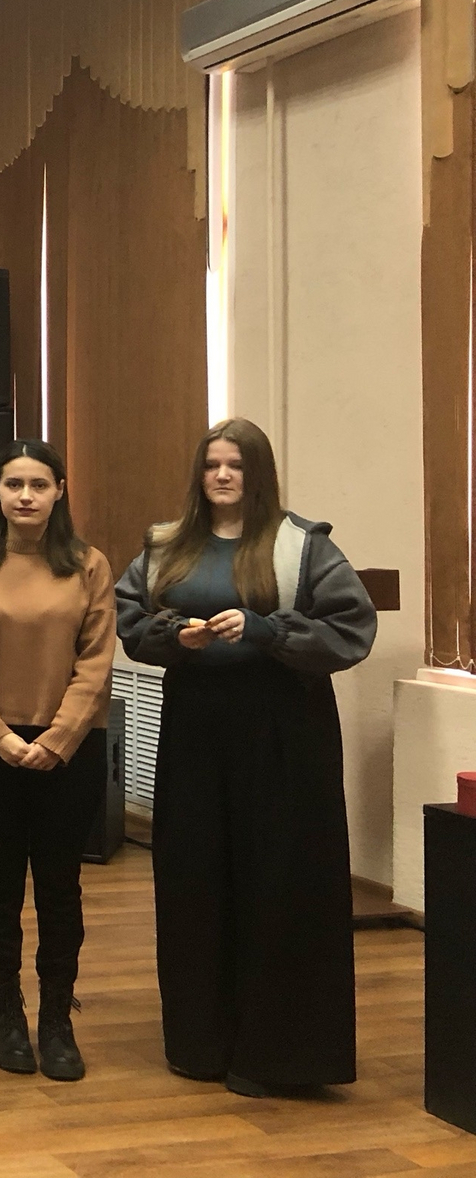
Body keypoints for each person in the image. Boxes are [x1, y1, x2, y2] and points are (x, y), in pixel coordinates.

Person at [116, 417, 375, 1097]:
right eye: (212, 465)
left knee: (278, 881)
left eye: (236, 465)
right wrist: (176, 634)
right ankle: (200, 1044)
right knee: (194, 878)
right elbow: (131, 621)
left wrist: (265, 630)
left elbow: (351, 628)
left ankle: (276, 1056)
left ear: (258, 474)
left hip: (284, 731)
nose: (223, 475)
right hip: (196, 732)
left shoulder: (303, 546)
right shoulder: (165, 545)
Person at [0, 440, 115, 1082]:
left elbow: (96, 660)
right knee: (0, 883)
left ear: (59, 491)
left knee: (60, 887)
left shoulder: (89, 565)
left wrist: (57, 738)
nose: (25, 495)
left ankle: (56, 1019)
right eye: (13, 483)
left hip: (69, 752)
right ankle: (6, 1012)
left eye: (38, 484)